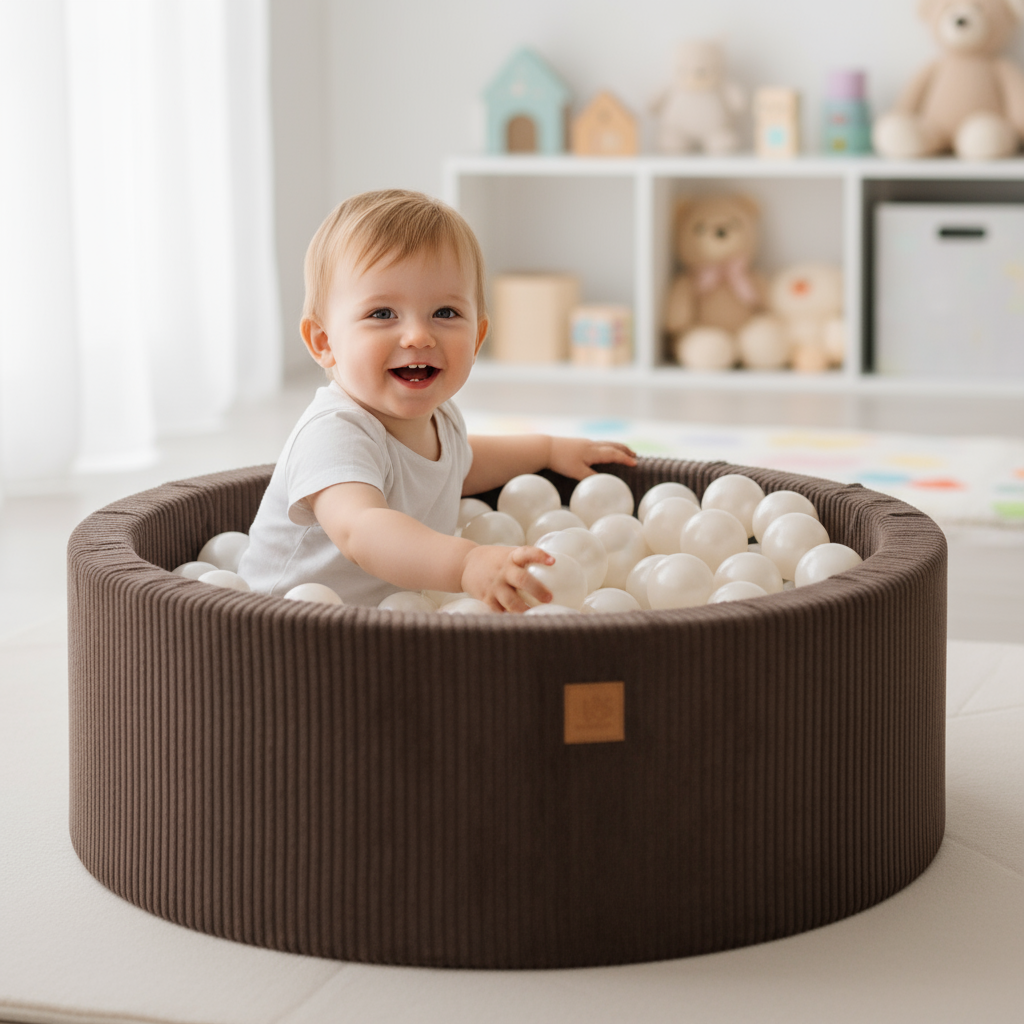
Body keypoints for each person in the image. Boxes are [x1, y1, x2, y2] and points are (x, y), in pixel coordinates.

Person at [238, 189, 635, 612]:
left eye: (445, 313)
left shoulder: (441, 418)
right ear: (324, 342)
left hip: (390, 615)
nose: (418, 336)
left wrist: (548, 449)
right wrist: (465, 563)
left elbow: (458, 463)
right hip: (283, 622)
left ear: (477, 338)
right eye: (382, 314)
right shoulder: (334, 433)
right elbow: (362, 530)